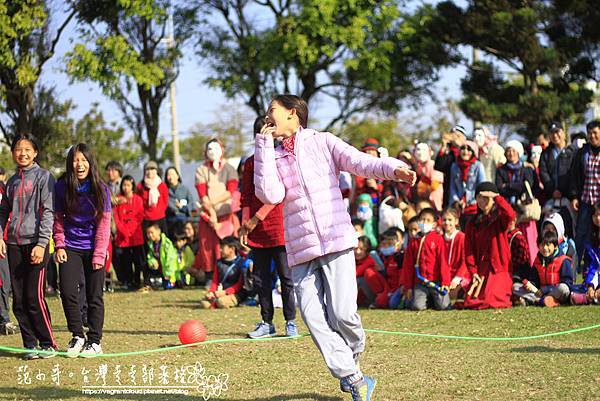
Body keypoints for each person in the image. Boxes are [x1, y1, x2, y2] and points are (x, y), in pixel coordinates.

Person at [254, 94, 416, 400]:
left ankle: (353, 351)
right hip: (301, 250)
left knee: (342, 314)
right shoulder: (271, 155)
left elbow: (360, 162)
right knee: (313, 318)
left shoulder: (323, 141)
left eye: (272, 110)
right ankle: (353, 376)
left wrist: (395, 169)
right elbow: (270, 195)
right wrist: (262, 147)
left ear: (292, 114)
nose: (267, 115)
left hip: (336, 239)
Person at [0, 133, 56, 359]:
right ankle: (30, 344)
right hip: (14, 244)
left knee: (34, 297)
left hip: (36, 244)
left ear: (35, 152)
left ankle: (48, 344)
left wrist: (42, 244)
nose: (22, 153)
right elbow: (3, 212)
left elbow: (49, 212)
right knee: (19, 300)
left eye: (27, 149)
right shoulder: (11, 182)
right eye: (18, 149)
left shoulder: (44, 177)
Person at [242, 116, 297, 339]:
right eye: (260, 131)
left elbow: (278, 194)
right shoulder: (250, 163)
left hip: (279, 229)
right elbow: (246, 195)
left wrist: (255, 218)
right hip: (257, 233)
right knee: (261, 279)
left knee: (286, 278)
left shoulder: (280, 158)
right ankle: (267, 322)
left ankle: (291, 321)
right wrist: (245, 225)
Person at [54, 143, 112, 357]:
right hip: (70, 246)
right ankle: (77, 335)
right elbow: (58, 219)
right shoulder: (61, 187)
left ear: (90, 163)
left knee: (94, 295)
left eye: (83, 160)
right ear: (70, 163)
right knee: (68, 291)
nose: (79, 164)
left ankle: (95, 341)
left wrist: (99, 253)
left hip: (94, 246)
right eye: (75, 160)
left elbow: (104, 224)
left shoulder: (100, 188)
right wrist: (59, 244)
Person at [194, 139, 240, 288]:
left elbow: (231, 191)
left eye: (216, 148)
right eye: (210, 149)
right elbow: (202, 194)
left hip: (225, 214)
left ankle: (230, 275)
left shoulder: (229, 169)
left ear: (222, 150)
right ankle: (210, 277)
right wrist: (211, 212)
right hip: (208, 216)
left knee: (226, 245)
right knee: (207, 247)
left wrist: (213, 204)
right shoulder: (201, 170)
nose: (212, 152)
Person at [463, 182, 515, 310]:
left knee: (492, 300)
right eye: (480, 197)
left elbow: (511, 215)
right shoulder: (472, 223)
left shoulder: (500, 218)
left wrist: (497, 197)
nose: (483, 201)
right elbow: (469, 250)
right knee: (471, 301)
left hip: (499, 269)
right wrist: (473, 272)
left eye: (487, 198)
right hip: (482, 270)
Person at [496, 140, 538, 264]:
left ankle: (530, 264)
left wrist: (508, 185)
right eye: (508, 150)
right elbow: (499, 188)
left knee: (527, 239)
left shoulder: (526, 169)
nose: (511, 153)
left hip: (524, 211)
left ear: (519, 153)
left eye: (514, 150)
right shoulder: (501, 170)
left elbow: (528, 185)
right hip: (507, 209)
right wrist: (518, 186)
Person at [402, 208, 450, 311]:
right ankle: (427, 300)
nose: (424, 222)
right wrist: (408, 287)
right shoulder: (414, 242)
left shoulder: (438, 239)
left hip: (436, 282)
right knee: (417, 306)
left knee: (444, 306)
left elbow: (443, 262)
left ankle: (433, 300)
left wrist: (445, 282)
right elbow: (408, 265)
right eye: (422, 220)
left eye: (428, 220)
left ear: (434, 224)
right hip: (420, 283)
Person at [512, 230, 574, 307]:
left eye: (548, 245)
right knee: (515, 287)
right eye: (542, 245)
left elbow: (567, 282)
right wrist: (530, 285)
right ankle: (544, 300)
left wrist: (545, 290)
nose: (544, 248)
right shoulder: (538, 260)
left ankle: (538, 300)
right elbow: (534, 280)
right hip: (539, 292)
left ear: (555, 246)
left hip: (555, 291)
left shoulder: (563, 260)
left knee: (563, 288)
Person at [570, 120, 600, 271]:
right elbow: (575, 175)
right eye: (590, 133)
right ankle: (576, 267)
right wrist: (574, 196)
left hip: (599, 201)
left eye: (595, 133)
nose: (592, 136)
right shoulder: (582, 152)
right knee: (581, 234)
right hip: (586, 200)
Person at [539, 122, 577, 238]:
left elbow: (575, 174)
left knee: (570, 229)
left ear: (563, 133)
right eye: (552, 133)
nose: (555, 136)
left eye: (557, 132)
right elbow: (543, 173)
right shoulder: (546, 154)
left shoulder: (573, 151)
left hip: (569, 199)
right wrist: (552, 190)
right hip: (551, 198)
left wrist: (570, 193)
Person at [200, 236, 253, 309]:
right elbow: (215, 281)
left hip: (236, 293)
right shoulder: (219, 263)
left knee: (221, 302)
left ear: (232, 249)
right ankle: (215, 302)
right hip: (220, 292)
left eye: (222, 248)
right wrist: (212, 292)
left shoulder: (241, 263)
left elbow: (239, 284)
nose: (220, 250)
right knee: (205, 303)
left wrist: (225, 292)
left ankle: (219, 302)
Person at [113, 175, 146, 290]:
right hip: (123, 237)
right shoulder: (118, 199)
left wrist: (131, 230)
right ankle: (128, 281)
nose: (126, 187)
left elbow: (140, 216)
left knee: (137, 260)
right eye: (124, 185)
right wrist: (123, 230)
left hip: (136, 235)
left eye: (128, 185)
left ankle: (137, 281)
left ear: (132, 186)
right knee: (126, 260)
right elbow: (116, 218)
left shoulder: (138, 199)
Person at [448, 140, 486, 227]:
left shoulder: (478, 166)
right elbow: (452, 186)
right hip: (458, 207)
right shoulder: (454, 166)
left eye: (469, 149)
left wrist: (470, 200)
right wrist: (456, 201)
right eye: (463, 149)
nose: (465, 152)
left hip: (474, 205)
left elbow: (482, 187)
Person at [435, 125, 467, 208]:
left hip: (465, 191)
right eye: (453, 135)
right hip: (449, 190)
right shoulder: (448, 151)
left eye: (458, 136)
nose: (455, 138)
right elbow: (438, 167)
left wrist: (460, 147)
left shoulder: (468, 150)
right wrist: (443, 146)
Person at [441, 207, 469, 301]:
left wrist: (457, 278)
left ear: (456, 221)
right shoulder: (440, 239)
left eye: (450, 220)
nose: (447, 222)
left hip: (460, 275)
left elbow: (465, 261)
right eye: (444, 220)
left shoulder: (462, 237)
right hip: (445, 277)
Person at [137, 161, 169, 233]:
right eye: (147, 169)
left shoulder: (162, 185)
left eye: (152, 169)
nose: (150, 172)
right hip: (146, 219)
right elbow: (138, 202)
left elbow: (165, 201)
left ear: (156, 171)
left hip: (160, 218)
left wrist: (160, 211)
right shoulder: (140, 185)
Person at [145, 223, 179, 290]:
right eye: (148, 233)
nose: (150, 235)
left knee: (168, 286)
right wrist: (153, 262)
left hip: (170, 272)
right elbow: (150, 256)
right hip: (160, 270)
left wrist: (168, 274)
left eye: (152, 232)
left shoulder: (166, 243)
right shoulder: (151, 244)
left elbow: (171, 259)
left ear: (158, 231)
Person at [413, 143, 444, 212]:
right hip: (422, 201)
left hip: (434, 201)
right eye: (418, 149)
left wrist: (421, 190)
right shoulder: (417, 167)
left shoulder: (434, 165)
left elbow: (435, 184)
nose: (420, 152)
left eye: (424, 150)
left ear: (429, 152)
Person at [165, 167, 194, 239]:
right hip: (170, 220)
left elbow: (192, 204)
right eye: (168, 175)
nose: (170, 177)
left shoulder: (185, 189)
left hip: (184, 219)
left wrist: (182, 207)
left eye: (172, 174)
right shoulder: (165, 190)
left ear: (177, 176)